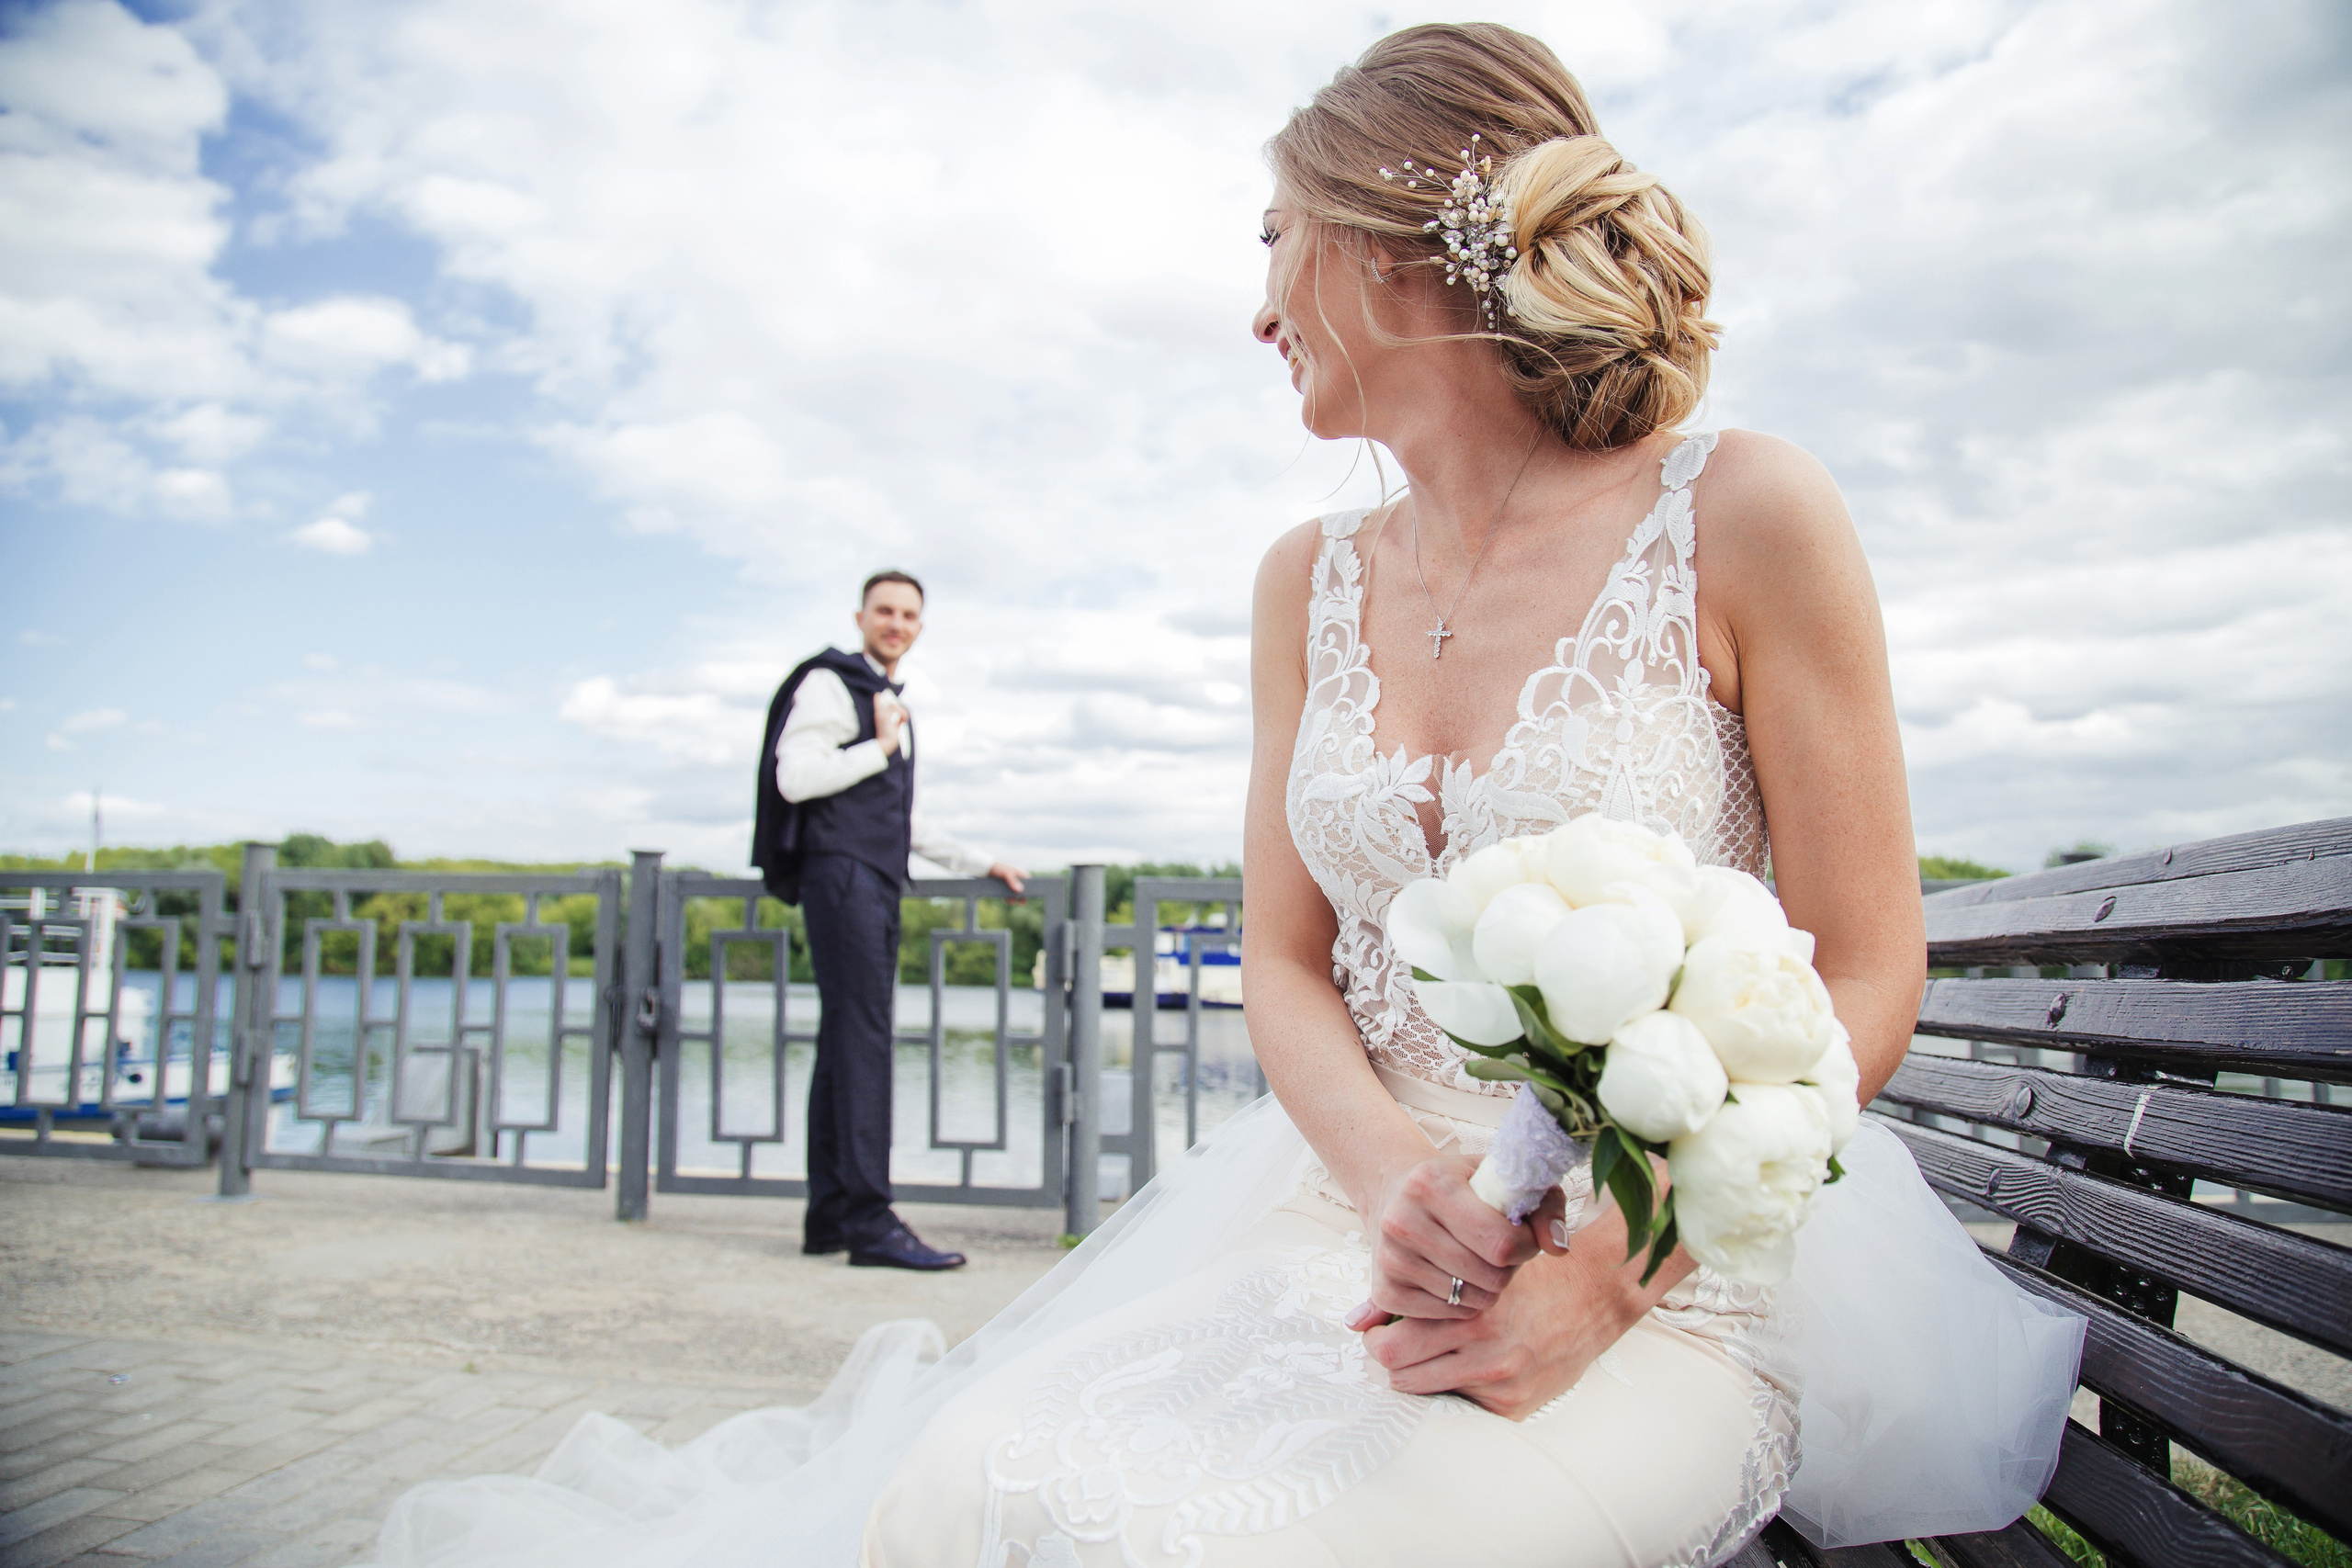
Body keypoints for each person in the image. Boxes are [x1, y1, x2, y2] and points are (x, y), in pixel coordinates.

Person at [371, 25, 2080, 1568]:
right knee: (960, 1485)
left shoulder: (1750, 510)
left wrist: (1610, 1279)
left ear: (1395, 235)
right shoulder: (1303, 579)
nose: (1256, 308)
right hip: (1337, 1230)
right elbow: (1282, 955)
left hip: (1664, 1281)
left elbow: (1867, 963)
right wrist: (1392, 1183)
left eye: (1274, 243)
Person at [752, 568, 1028, 1272]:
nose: (896, 622)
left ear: (920, 626)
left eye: (908, 613)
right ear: (861, 616)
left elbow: (893, 817)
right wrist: (877, 744)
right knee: (865, 1042)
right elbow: (795, 777)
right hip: (842, 879)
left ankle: (830, 1217)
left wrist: (981, 861)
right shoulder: (830, 684)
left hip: (865, 876)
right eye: (884, 610)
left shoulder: (879, 696)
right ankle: (872, 1221)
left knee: (846, 1043)